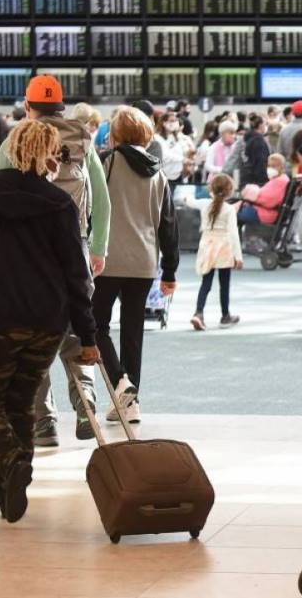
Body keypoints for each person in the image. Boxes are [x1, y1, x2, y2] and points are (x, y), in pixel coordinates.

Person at [0, 119, 100, 522]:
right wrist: (87, 335)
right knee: (19, 401)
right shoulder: (59, 203)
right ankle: (7, 485)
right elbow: (75, 274)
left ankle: (12, 463)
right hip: (47, 321)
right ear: (50, 154)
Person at [0, 75, 111, 448]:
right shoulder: (82, 140)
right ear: (61, 105)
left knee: (32, 335)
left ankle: (44, 422)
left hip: (27, 258)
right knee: (75, 330)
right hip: (76, 248)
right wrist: (98, 247)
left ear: (28, 107)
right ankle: (86, 399)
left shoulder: (16, 140)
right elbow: (102, 199)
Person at [93, 106, 179, 426]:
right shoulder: (159, 174)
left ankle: (120, 383)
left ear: (115, 134)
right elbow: (168, 225)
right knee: (133, 332)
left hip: (108, 259)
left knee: (95, 325)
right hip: (144, 263)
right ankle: (130, 403)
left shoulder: (106, 164)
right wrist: (169, 270)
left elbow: (92, 209)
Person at [188, 174, 243, 331]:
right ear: (229, 191)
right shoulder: (229, 209)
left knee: (206, 282)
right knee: (224, 284)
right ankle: (225, 315)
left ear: (211, 189)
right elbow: (233, 233)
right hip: (224, 247)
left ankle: (198, 313)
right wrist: (238, 257)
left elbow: (191, 202)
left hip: (207, 244)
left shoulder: (205, 204)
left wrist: (187, 198)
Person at [239, 153, 290, 226]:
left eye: (274, 166)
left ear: (281, 167)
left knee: (231, 214)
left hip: (265, 214)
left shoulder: (280, 181)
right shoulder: (279, 179)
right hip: (265, 211)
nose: (270, 168)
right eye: (269, 166)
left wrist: (248, 190)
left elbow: (266, 198)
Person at [154, 111, 195, 185]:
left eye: (176, 121)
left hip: (178, 175)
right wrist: (183, 159)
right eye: (172, 121)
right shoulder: (157, 138)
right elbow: (165, 156)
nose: (175, 123)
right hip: (165, 177)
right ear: (164, 123)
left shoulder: (175, 136)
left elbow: (182, 151)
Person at [239, 113, 270, 189]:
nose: (266, 127)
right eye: (265, 124)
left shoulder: (249, 138)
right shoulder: (259, 141)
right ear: (260, 125)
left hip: (247, 177)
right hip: (256, 180)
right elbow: (261, 161)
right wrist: (263, 181)